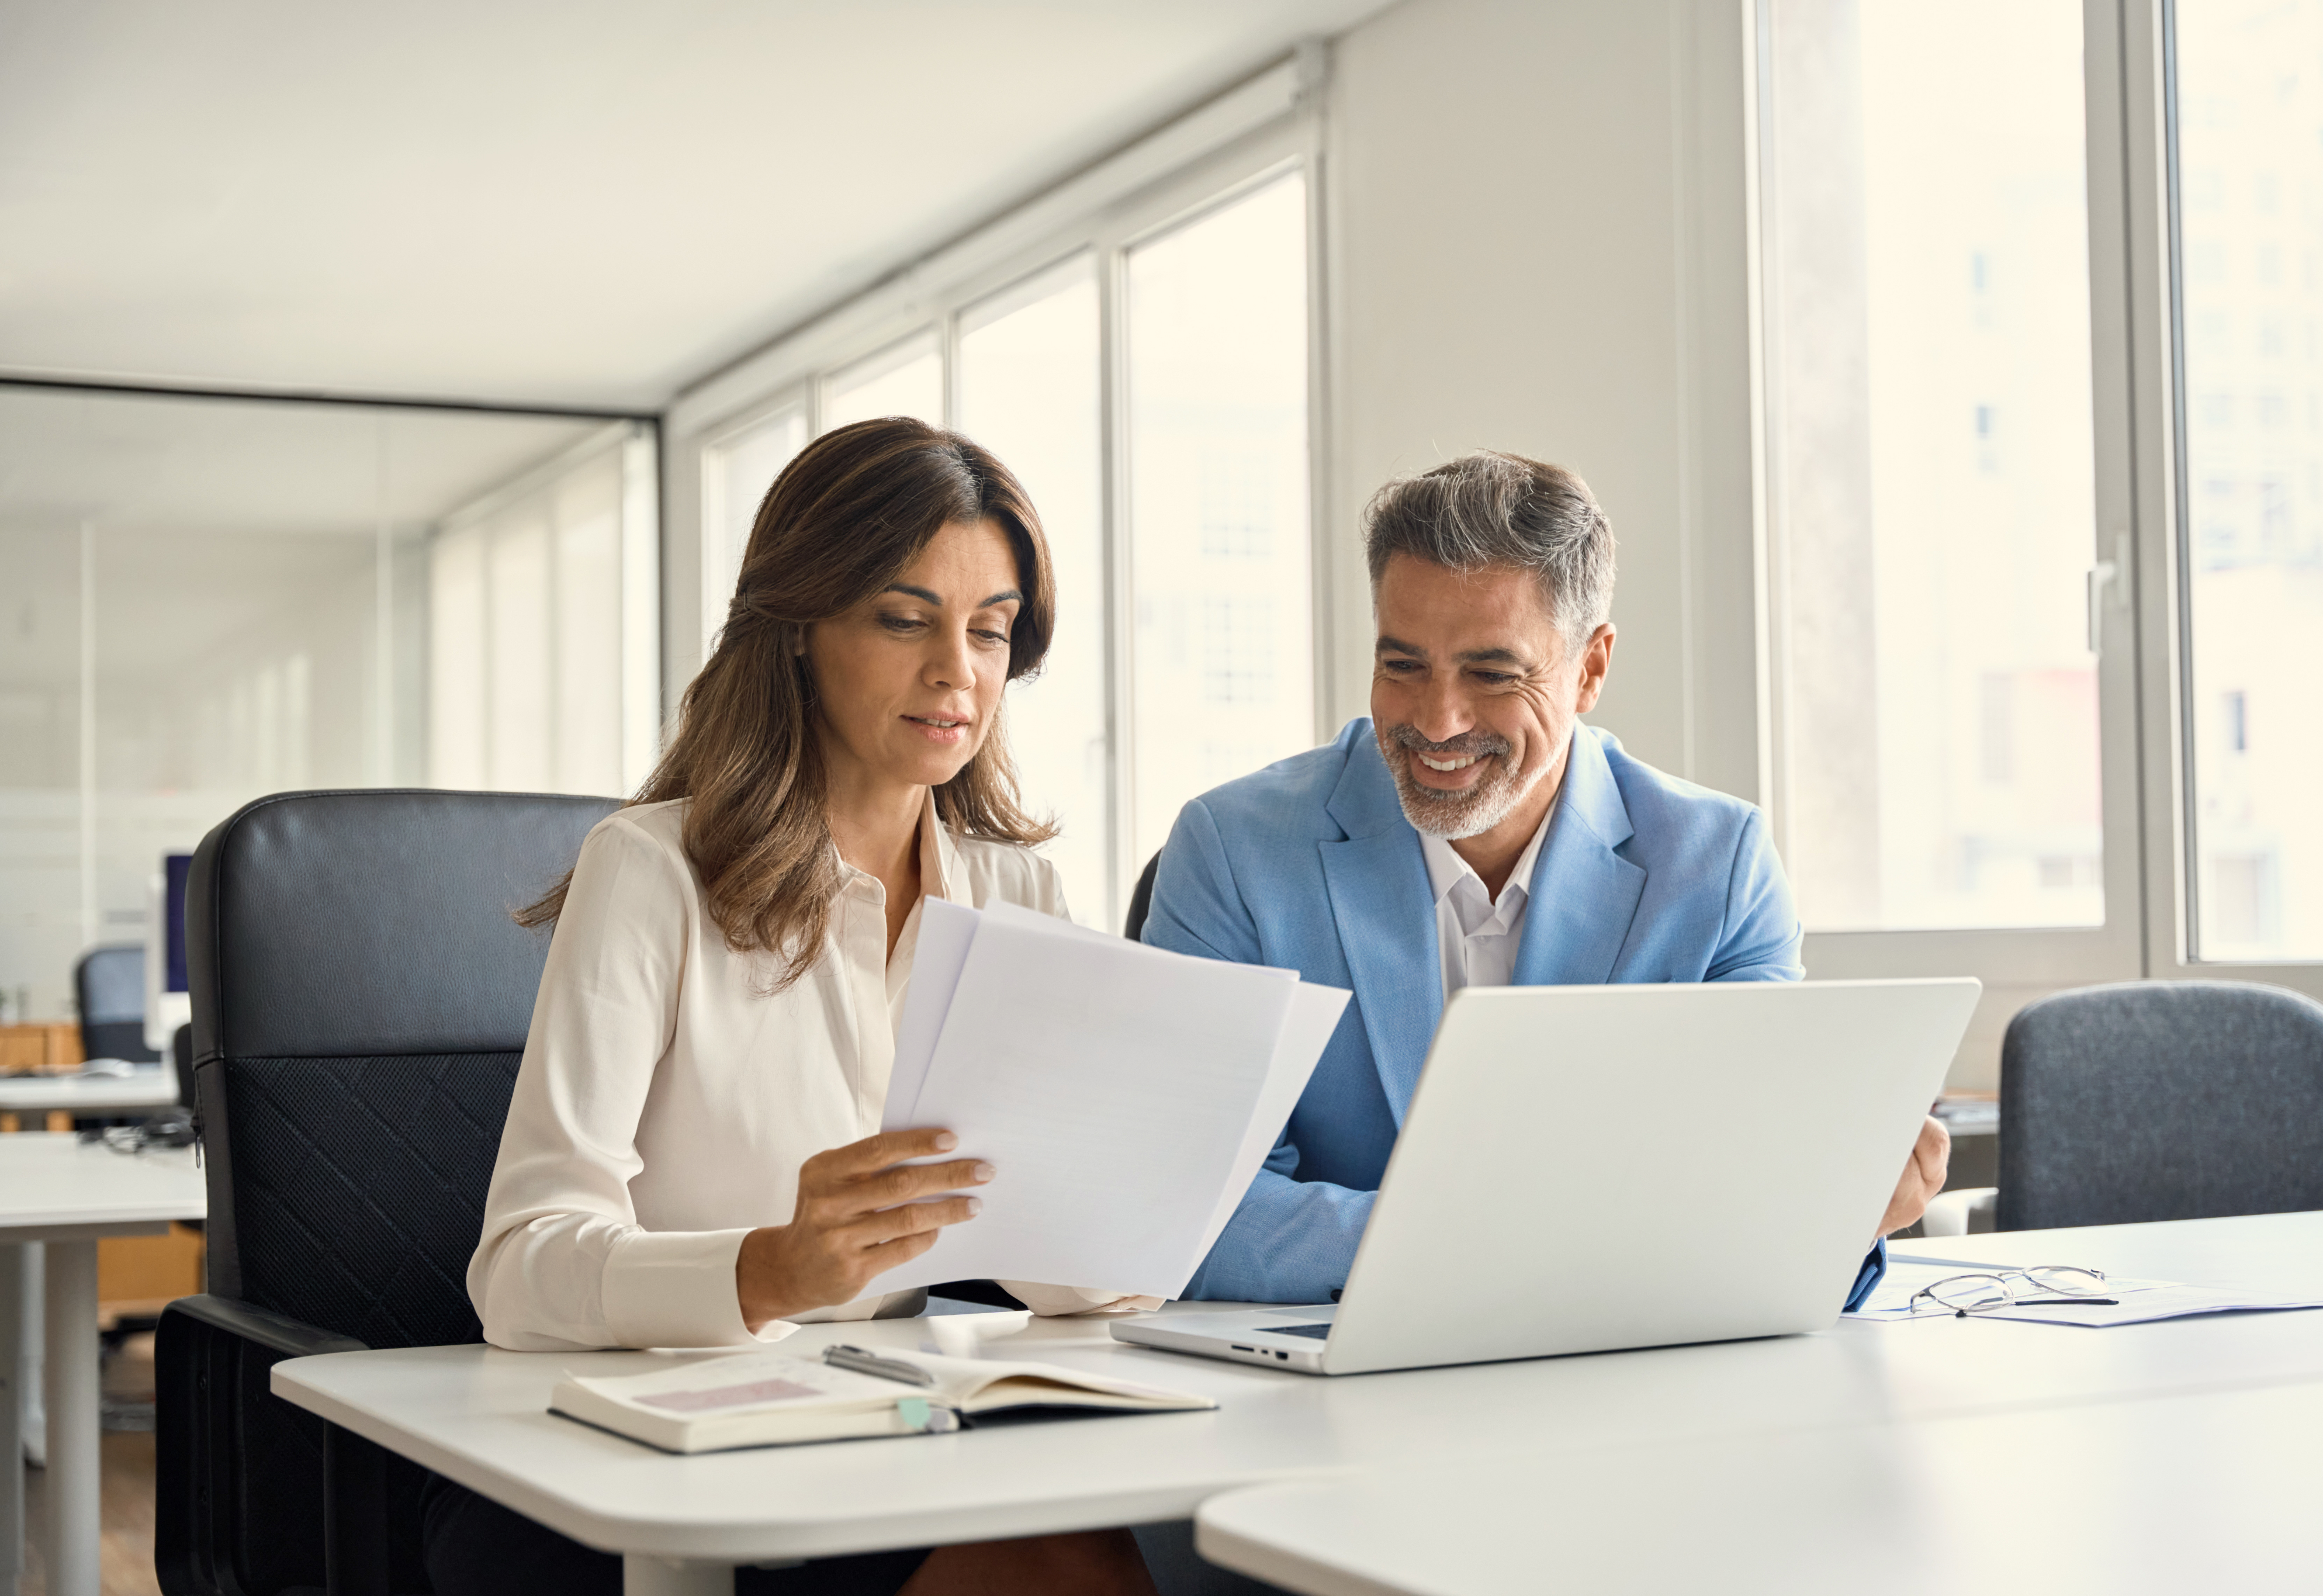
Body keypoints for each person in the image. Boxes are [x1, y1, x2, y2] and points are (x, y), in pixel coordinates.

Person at [434, 418, 1158, 1596]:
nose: (956, 673)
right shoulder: (649, 871)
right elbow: (518, 1268)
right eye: (900, 617)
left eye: (989, 629)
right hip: (676, 1452)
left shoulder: (1019, 893)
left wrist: (1115, 1214)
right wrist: (766, 1270)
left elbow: (1065, 1261)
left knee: (1124, 1541)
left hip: (915, 1419)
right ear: (798, 631)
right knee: (1058, 1569)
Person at [1141, 450, 1949, 1307]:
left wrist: (1842, 1209)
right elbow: (1188, 1206)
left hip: (1626, 1387)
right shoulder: (1234, 850)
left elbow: (1754, 1198)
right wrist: (1512, 1243)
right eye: (1402, 665)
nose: (1437, 721)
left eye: (1492, 674)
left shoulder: (1719, 868)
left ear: (1591, 669)